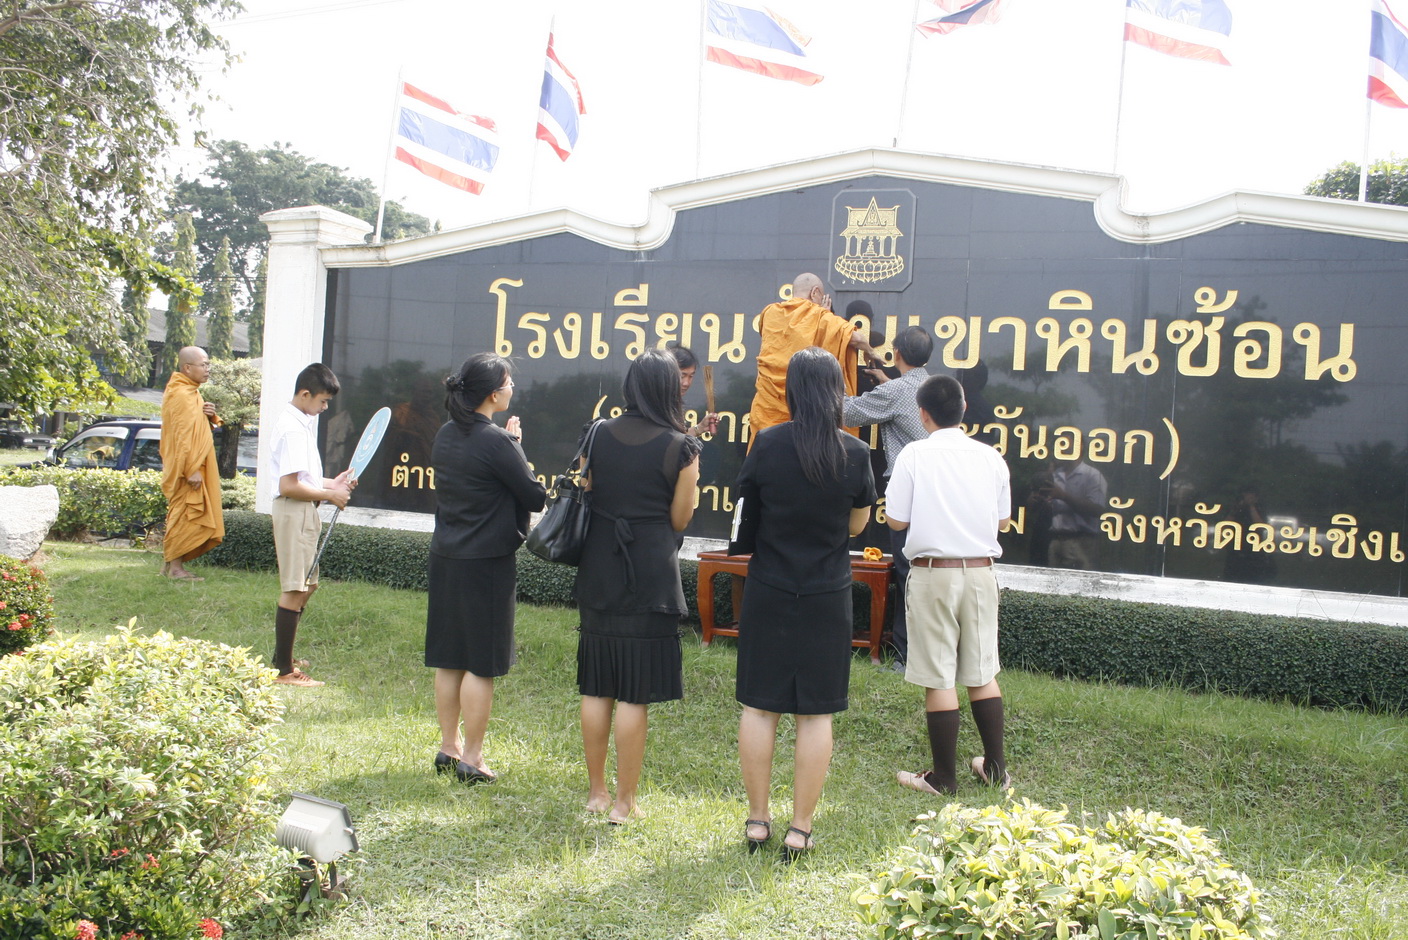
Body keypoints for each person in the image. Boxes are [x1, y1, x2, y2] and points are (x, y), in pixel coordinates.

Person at [732, 347, 876, 861]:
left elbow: (746, 518)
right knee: (815, 715)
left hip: (769, 588)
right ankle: (801, 829)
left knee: (760, 706)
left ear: (790, 391)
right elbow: (857, 525)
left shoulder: (767, 444)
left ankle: (757, 821)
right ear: (837, 392)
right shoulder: (854, 453)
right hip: (826, 594)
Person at [574, 348, 701, 824]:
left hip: (599, 567)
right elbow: (679, 519)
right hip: (649, 572)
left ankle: (596, 793)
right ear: (670, 389)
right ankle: (624, 803)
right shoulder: (681, 447)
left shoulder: (597, 433)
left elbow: (587, 489)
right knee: (634, 693)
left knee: (596, 684)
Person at [886, 375, 1011, 798]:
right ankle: (995, 770)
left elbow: (896, 520)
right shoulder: (991, 457)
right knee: (982, 672)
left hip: (933, 573)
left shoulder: (913, 454)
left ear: (922, 414)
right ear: (963, 408)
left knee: (939, 676)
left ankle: (943, 779)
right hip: (980, 572)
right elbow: (1003, 521)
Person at [426, 354, 547, 783]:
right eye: (509, 382)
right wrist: (516, 446)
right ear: (494, 394)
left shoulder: (445, 434)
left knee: (449, 658)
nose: (513, 388)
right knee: (480, 664)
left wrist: (509, 444)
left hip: (446, 556)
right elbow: (535, 497)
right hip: (486, 564)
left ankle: (449, 747)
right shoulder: (496, 441)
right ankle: (473, 758)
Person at [842, 326, 933, 668]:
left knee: (908, 572)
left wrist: (831, 381)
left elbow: (846, 412)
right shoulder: (931, 386)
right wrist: (887, 381)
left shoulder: (895, 390)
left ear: (897, 354)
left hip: (910, 492)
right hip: (935, 491)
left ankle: (906, 658)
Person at [268, 363, 356, 688]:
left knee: (308, 585)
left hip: (304, 510)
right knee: (295, 588)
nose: (325, 407)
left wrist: (333, 483)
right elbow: (289, 486)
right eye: (323, 401)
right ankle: (284, 671)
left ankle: (284, 656)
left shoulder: (300, 423)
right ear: (305, 394)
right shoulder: (293, 428)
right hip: (294, 510)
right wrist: (331, 495)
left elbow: (304, 478)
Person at [746, 272, 870, 445]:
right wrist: (871, 351)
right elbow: (858, 339)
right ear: (815, 292)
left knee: (767, 454)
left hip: (767, 412)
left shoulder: (769, 312)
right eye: (821, 296)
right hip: (804, 414)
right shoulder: (820, 317)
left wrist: (821, 317)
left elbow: (791, 337)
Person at [159, 346, 223, 580]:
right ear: (187, 368)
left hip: (196, 464)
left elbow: (195, 429)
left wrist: (209, 415)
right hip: (189, 468)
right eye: (203, 365)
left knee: (183, 513)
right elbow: (180, 437)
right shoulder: (180, 394)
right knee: (183, 513)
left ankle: (171, 566)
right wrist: (190, 469)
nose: (207, 369)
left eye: (208, 365)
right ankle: (176, 569)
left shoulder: (191, 392)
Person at [1047, 456, 1108, 570]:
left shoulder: (1092, 475)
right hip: (1055, 540)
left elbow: (1097, 510)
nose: (1061, 449)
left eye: (1065, 446)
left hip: (1082, 541)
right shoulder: (1055, 475)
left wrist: (1063, 496)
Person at [666, 343, 719, 438]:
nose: (686, 383)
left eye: (691, 376)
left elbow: (676, 439)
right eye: (682, 376)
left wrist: (700, 427)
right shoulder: (656, 405)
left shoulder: (674, 404)